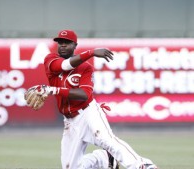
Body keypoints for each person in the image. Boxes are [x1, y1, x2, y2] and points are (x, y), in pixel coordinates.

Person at [26, 30, 158, 169]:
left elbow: (84, 94)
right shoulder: (50, 59)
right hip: (70, 120)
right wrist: (91, 53)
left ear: (75, 45)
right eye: (60, 43)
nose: (63, 45)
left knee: (107, 140)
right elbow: (64, 65)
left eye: (67, 43)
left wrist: (54, 90)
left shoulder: (85, 68)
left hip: (88, 113)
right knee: (71, 167)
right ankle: (103, 159)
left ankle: (142, 165)